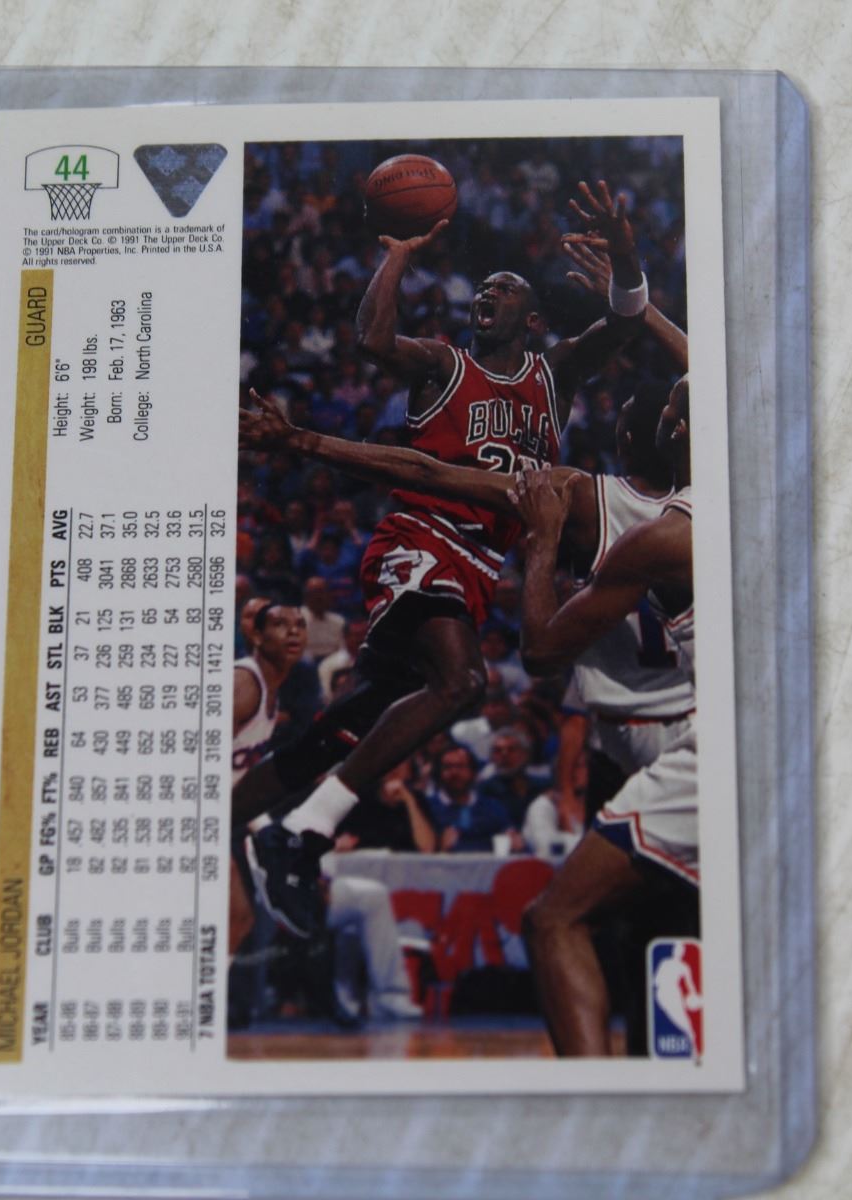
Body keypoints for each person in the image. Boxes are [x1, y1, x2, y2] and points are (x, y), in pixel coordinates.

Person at [239, 180, 651, 937]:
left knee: (355, 721)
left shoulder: (553, 374)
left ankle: (230, 818)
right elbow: (373, 341)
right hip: (420, 538)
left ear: (533, 318)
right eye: (481, 288)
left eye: (504, 288)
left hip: (478, 567)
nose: (485, 295)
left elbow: (626, 319)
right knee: (461, 682)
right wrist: (397, 256)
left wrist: (626, 257)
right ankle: (300, 833)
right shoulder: (444, 364)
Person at [508, 378, 697, 1057]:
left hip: (679, 743)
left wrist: (542, 541)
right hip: (663, 728)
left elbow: (540, 653)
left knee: (563, 918)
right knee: (671, 923)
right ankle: (669, 1063)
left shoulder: (654, 533)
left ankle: (603, 1087)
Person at [227, 604, 309, 956]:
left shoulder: (273, 689)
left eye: (300, 625)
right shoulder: (245, 683)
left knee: (238, 920)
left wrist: (263, 826)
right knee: (233, 917)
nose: (293, 631)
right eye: (280, 624)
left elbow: (237, 775)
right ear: (257, 637)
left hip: (213, 815)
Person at [424, 745, 517, 854]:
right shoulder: (426, 808)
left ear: (473, 772)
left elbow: (511, 839)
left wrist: (514, 842)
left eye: (460, 766)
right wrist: (440, 849)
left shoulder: (492, 807)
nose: (454, 772)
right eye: (448, 767)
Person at [299, 576, 347, 662]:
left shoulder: (339, 621)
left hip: (333, 663)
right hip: (306, 663)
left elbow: (343, 650)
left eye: (322, 592)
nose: (319, 597)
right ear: (306, 596)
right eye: (314, 593)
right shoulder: (297, 618)